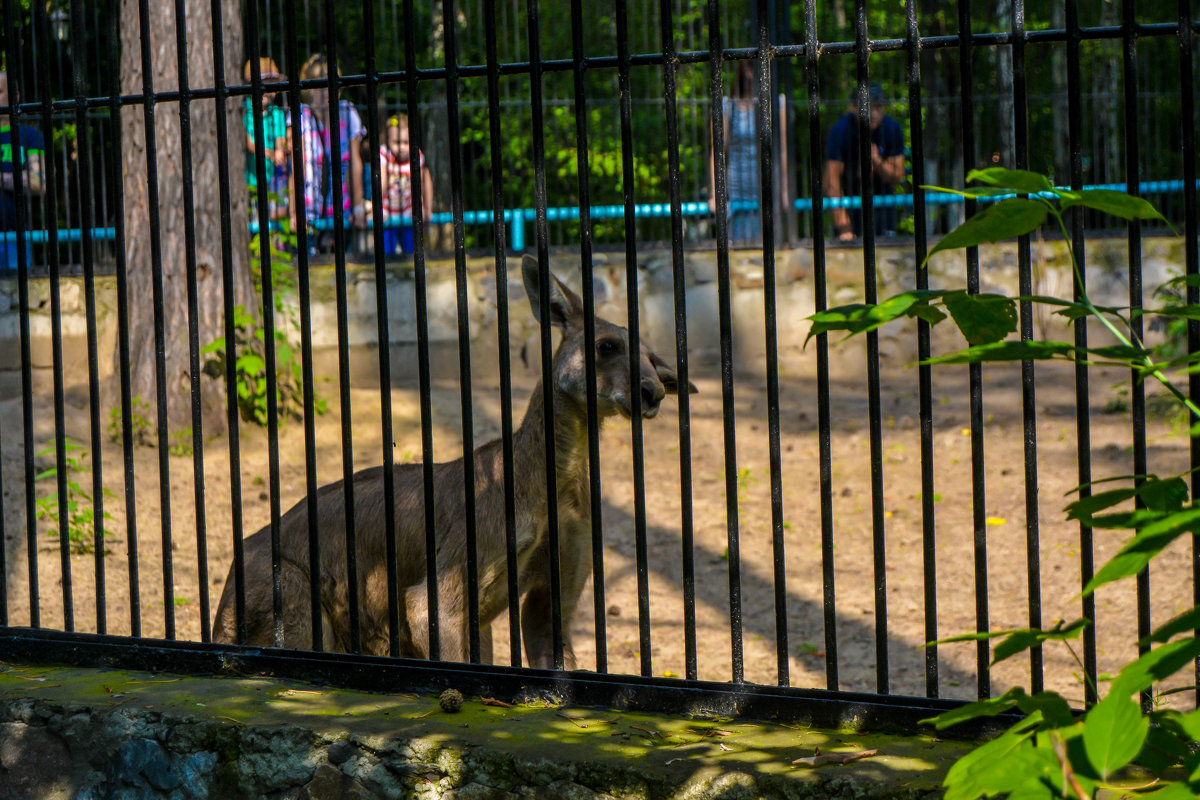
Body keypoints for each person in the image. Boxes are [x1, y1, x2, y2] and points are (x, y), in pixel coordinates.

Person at [292, 54, 364, 252]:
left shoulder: (348, 113)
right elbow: (295, 166)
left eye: (333, 82)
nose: (328, 90)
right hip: (309, 214)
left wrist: (358, 207)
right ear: (309, 88)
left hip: (343, 213)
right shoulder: (299, 117)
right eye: (321, 83)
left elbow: (355, 163)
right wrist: (295, 211)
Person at [825, 83, 905, 242]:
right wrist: (844, 227)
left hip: (883, 206)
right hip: (849, 207)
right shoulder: (840, 131)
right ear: (853, 107)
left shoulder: (892, 129)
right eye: (868, 108)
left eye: (879, 107)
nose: (874, 113)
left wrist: (877, 160)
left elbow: (897, 177)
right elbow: (830, 183)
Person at [708, 60, 760, 243]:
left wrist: (783, 190)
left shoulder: (776, 104)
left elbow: (783, 151)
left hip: (766, 189)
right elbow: (718, 150)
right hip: (737, 190)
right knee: (740, 248)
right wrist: (716, 194)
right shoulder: (727, 105)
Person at [0, 72, 45, 274]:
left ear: (14, 96)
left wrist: (2, 179)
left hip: (14, 235)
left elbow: (39, 181)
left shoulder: (30, 136)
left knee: (17, 299)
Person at [376, 113, 433, 256]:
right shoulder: (384, 154)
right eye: (396, 142)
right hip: (387, 214)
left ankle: (415, 276)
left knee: (412, 253)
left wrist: (427, 208)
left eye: (406, 142)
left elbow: (425, 182)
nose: (401, 147)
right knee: (386, 255)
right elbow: (380, 183)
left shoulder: (417, 155)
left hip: (409, 213)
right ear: (388, 141)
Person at [242, 57, 290, 222]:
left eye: (273, 84)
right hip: (252, 181)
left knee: (276, 217)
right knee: (255, 220)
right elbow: (249, 143)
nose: (269, 91)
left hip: (274, 180)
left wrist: (281, 150)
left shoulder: (276, 113)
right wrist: (269, 153)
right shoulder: (244, 111)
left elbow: (280, 138)